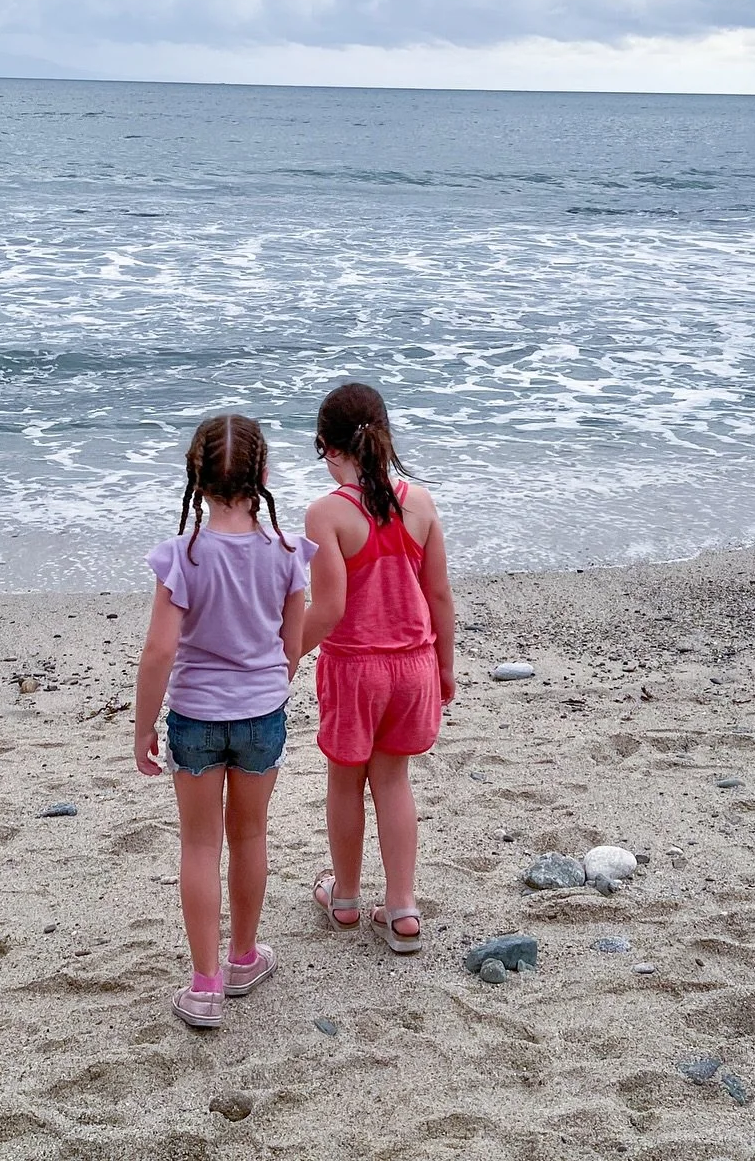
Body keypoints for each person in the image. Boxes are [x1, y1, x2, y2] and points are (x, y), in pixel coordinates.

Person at [133, 413, 312, 1026]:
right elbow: (292, 643)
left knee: (200, 843)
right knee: (251, 835)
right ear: (264, 474)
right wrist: (268, 685)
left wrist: (143, 725)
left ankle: (205, 985)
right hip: (261, 714)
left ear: (197, 478)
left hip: (195, 717)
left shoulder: (183, 557)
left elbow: (159, 652)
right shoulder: (286, 552)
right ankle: (243, 957)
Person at [303, 382, 456, 953]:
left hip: (355, 669)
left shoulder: (326, 514)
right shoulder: (420, 503)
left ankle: (345, 898)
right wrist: (444, 665)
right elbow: (438, 595)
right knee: (392, 780)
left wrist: (283, 656)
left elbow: (328, 610)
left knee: (345, 779)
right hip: (414, 665)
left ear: (327, 446)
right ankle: (402, 908)